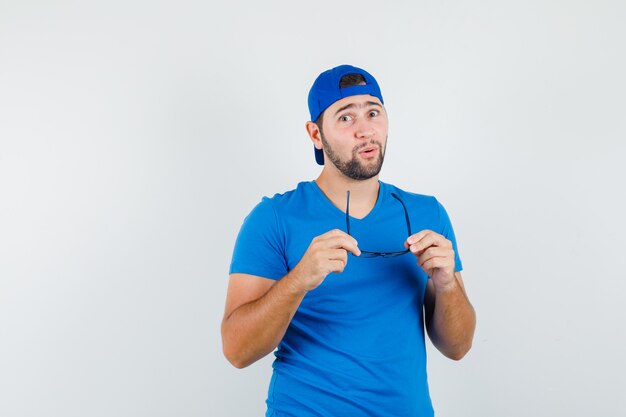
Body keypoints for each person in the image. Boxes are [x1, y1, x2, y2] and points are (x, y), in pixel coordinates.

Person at [221, 64, 476, 417]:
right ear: (315, 134)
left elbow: (459, 347)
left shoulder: (427, 214)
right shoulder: (274, 218)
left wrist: (447, 285)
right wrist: (299, 280)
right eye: (345, 118)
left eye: (373, 113)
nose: (365, 130)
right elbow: (236, 350)